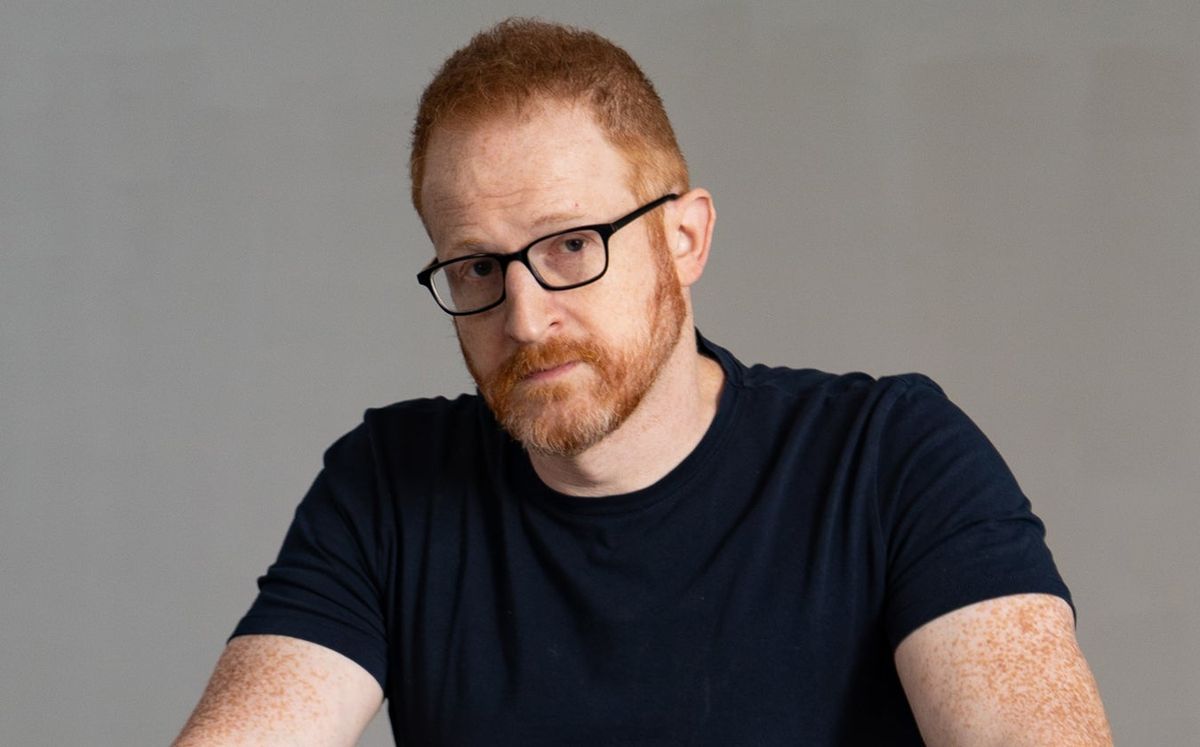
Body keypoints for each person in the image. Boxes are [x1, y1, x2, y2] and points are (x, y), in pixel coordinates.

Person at [175, 18, 1111, 746]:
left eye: (571, 244)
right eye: (476, 266)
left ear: (684, 237)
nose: (524, 316)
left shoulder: (891, 458)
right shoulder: (388, 485)